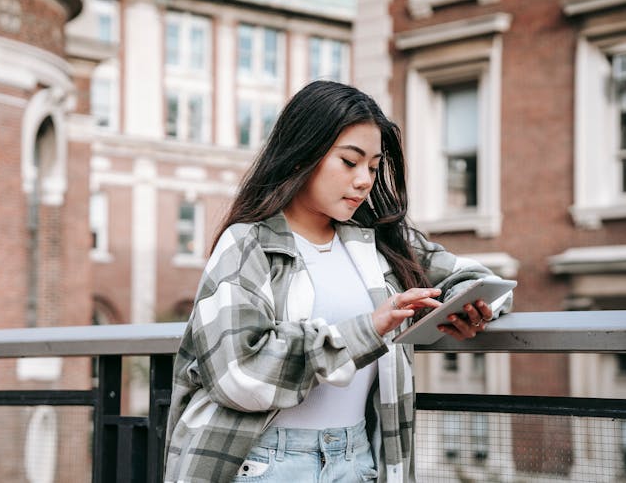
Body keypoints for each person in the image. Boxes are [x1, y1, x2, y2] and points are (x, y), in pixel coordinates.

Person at [163, 80, 511, 483]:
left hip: (358, 461)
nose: (364, 180)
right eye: (350, 162)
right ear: (301, 156)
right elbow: (238, 374)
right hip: (265, 463)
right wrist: (366, 330)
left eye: (374, 167)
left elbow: (477, 277)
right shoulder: (247, 243)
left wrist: (465, 306)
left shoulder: (381, 244)